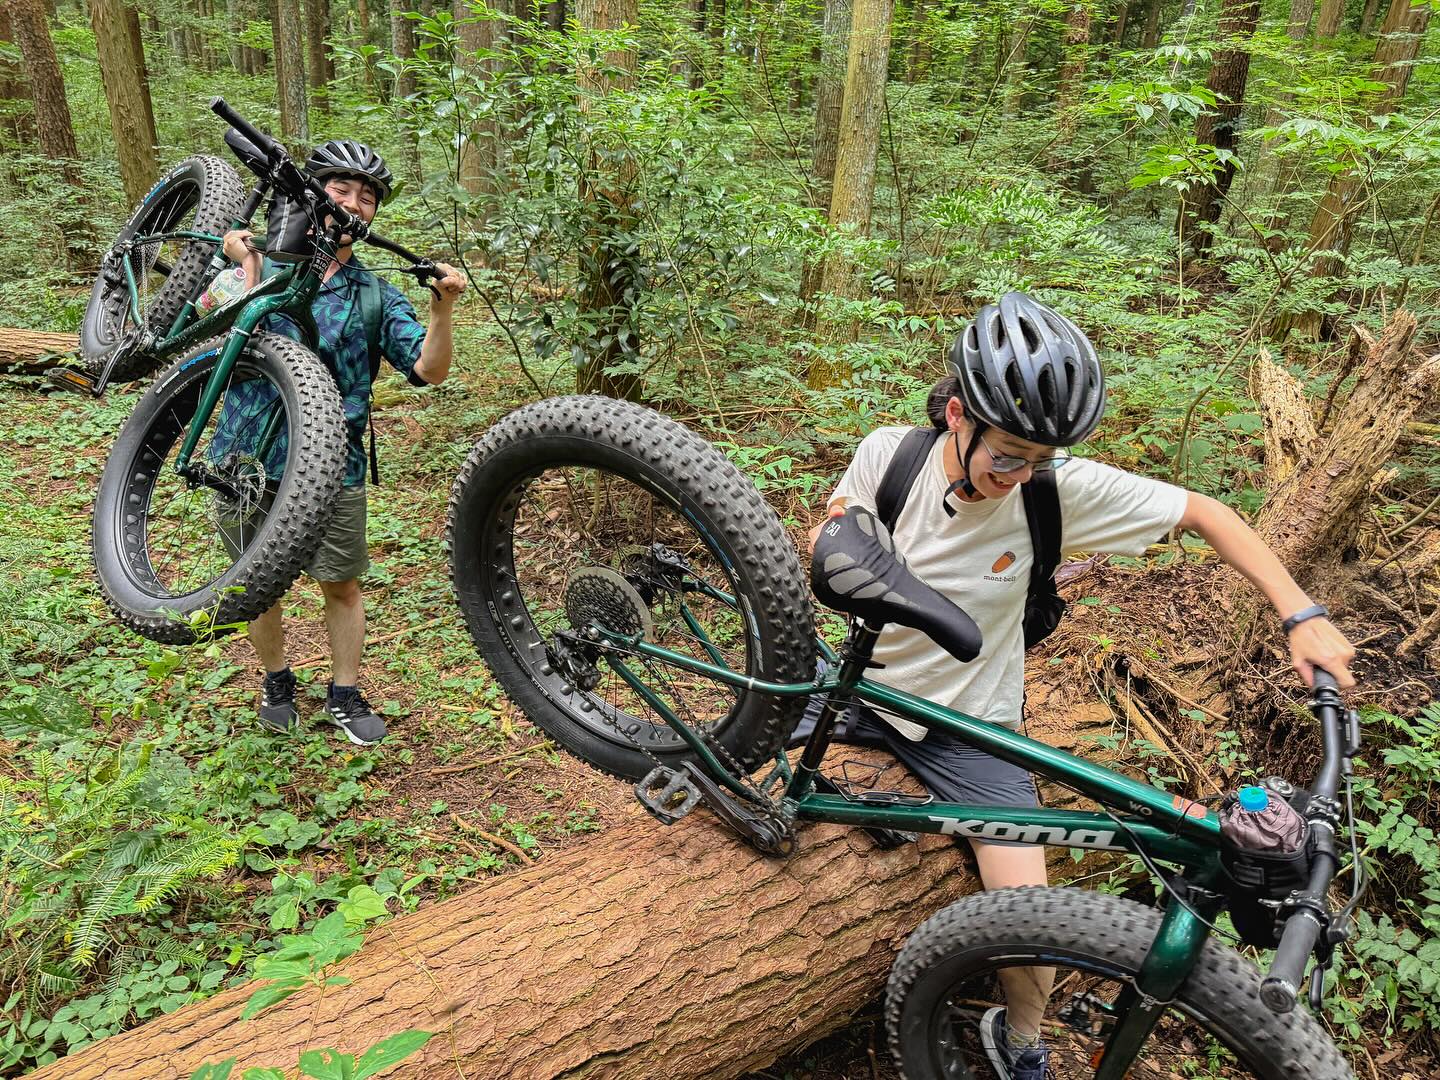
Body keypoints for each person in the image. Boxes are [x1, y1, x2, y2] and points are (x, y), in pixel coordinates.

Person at [803, 291, 1356, 1080]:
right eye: (1006, 456)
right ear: (957, 415)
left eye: (1039, 459)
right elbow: (835, 528)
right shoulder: (890, 456)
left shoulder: (1051, 489)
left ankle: (1019, 1046)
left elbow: (1206, 512)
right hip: (866, 689)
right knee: (747, 792)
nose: (1020, 474)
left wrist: (1300, 611)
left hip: (970, 722)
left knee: (1028, 926)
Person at [217, 139, 466, 745]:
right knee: (255, 582)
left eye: (366, 196)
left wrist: (442, 309)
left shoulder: (375, 293)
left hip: (333, 464)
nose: (353, 203)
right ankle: (276, 681)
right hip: (245, 452)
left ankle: (345, 692)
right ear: (315, 192)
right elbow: (217, 324)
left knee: (342, 582)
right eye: (340, 189)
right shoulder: (265, 263)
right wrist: (243, 266)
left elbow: (429, 371)